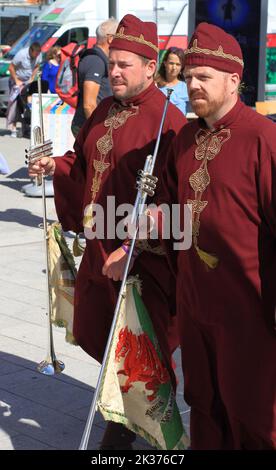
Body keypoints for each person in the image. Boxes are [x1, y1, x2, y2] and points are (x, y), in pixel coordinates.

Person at [28, 14, 187, 449]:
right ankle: (128, 413)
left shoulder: (167, 122)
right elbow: (79, 164)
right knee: (100, 335)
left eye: (124, 65)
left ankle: (128, 433)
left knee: (138, 350)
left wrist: (134, 249)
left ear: (150, 68)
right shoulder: (104, 110)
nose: (113, 72)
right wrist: (53, 166)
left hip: (143, 263)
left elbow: (174, 204)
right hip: (100, 251)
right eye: (111, 62)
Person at [150, 22, 276, 450]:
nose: (193, 86)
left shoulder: (264, 139)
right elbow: (170, 206)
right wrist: (151, 224)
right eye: (188, 77)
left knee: (254, 415)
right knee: (203, 405)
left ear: (234, 80)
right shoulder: (185, 137)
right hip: (195, 304)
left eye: (204, 77)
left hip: (248, 310)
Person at [71, 17, 118, 137]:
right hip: (89, 127)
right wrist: (99, 132)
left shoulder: (99, 58)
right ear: (111, 39)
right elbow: (89, 104)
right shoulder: (95, 61)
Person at [6, 42, 41, 138]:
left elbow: (37, 66)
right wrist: (17, 80)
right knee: (15, 105)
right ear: (31, 50)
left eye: (38, 54)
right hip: (16, 82)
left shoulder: (38, 55)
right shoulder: (21, 55)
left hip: (27, 83)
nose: (36, 56)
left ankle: (25, 128)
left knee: (25, 106)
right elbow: (11, 68)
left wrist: (32, 78)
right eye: (35, 54)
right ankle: (13, 127)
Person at [155, 47, 189, 115]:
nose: (174, 67)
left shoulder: (186, 88)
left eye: (178, 64)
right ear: (165, 63)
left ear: (181, 67)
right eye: (171, 63)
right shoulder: (156, 86)